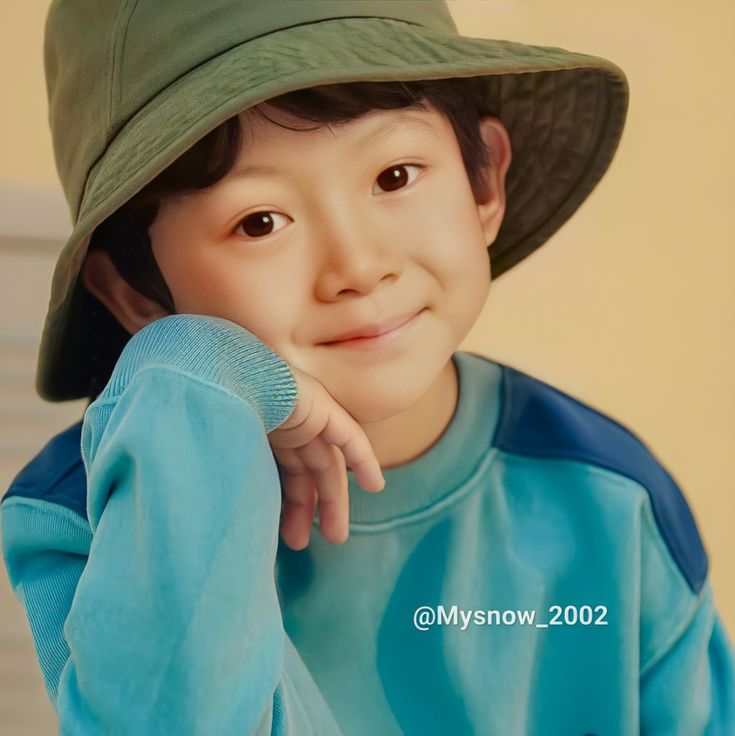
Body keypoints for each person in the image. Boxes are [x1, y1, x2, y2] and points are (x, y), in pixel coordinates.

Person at [1, 1, 733, 733]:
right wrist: (188, 365)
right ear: (134, 290)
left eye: (394, 175)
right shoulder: (86, 515)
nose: (357, 266)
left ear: (484, 183)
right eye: (258, 222)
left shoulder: (607, 497)